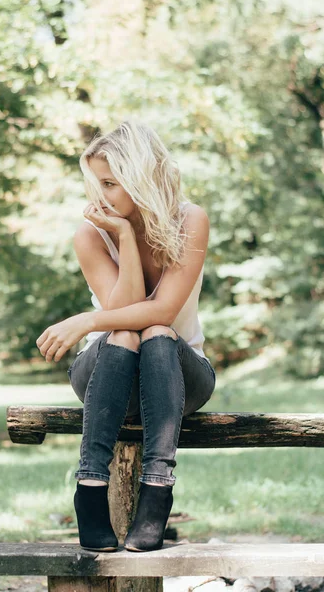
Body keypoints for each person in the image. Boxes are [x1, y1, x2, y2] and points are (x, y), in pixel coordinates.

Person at [36, 119, 216, 553]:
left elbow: (162, 312)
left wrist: (83, 321)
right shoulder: (91, 235)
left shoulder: (189, 220)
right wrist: (124, 237)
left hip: (178, 378)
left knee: (155, 329)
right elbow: (121, 315)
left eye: (110, 183)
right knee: (126, 333)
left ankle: (158, 491)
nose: (99, 196)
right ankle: (90, 486)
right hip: (106, 376)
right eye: (95, 183)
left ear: (141, 178)